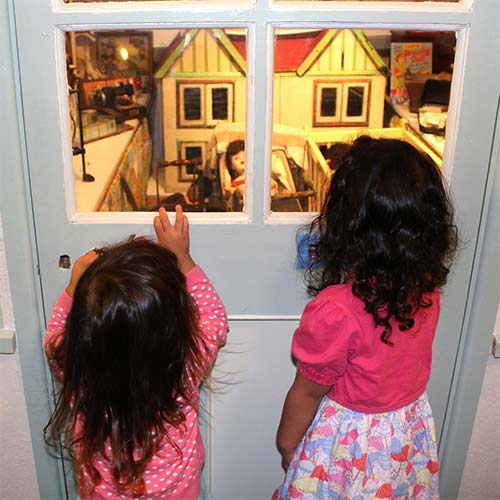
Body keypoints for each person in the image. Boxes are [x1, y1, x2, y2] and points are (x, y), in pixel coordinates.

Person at [274, 136, 457, 500]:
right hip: (406, 441)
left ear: (348, 222)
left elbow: (308, 391)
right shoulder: (427, 292)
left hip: (351, 450)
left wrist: (287, 444)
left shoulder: (336, 310)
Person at [43, 206, 228, 500]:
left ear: (83, 332)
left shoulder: (77, 369)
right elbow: (214, 316)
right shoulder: (185, 365)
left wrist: (72, 288)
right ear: (173, 326)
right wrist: (182, 258)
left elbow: (53, 337)